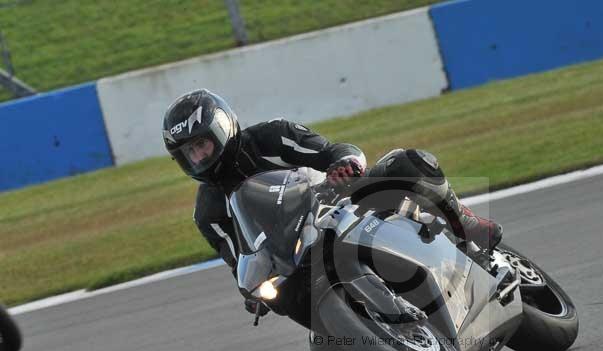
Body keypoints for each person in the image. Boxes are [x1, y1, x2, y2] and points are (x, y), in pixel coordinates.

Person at [162, 89, 502, 309]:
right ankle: (345, 335)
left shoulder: (270, 136)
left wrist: (345, 164)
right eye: (189, 153)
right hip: (296, 256)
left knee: (407, 162)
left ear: (221, 130)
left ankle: (465, 225)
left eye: (201, 144)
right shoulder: (207, 212)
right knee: (276, 299)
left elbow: (329, 150)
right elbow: (238, 260)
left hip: (336, 201)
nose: (199, 157)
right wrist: (252, 292)